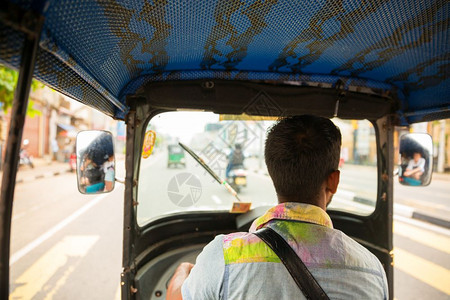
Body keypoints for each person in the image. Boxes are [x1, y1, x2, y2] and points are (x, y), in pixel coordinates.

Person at [167, 115, 388, 300]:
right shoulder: (372, 270)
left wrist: (182, 271)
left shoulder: (224, 256)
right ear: (333, 181)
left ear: (273, 173)